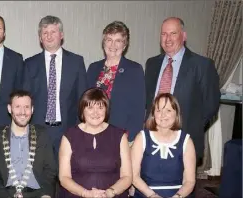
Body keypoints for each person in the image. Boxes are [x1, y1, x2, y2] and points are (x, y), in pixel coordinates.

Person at [145, 17, 220, 160]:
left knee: (185, 181)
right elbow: (148, 102)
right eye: (164, 34)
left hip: (185, 141)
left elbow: (211, 105)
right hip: (153, 139)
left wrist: (189, 125)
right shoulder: (151, 64)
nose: (168, 39)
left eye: (173, 33)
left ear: (183, 36)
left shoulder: (203, 65)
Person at [23, 15, 88, 158]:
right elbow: (25, 100)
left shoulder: (76, 62)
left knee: (65, 176)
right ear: (40, 38)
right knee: (41, 177)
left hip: (68, 130)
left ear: (61, 35)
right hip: (38, 131)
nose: (49, 36)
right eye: (45, 33)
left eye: (53, 32)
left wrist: (81, 129)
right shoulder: (29, 64)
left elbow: (83, 99)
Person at [59, 88, 132, 198]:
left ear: (106, 110)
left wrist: (109, 192)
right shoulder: (69, 136)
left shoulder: (120, 136)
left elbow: (127, 177)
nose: (95, 112)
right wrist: (86, 193)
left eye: (100, 107)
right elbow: (64, 177)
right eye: (90, 107)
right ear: (82, 109)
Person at [0, 90, 57, 198]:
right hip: (5, 194)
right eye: (18, 107)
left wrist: (46, 194)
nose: (22, 112)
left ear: (32, 110)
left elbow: (50, 170)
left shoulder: (42, 135)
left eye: (26, 107)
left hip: (37, 194)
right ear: (10, 109)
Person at [87, 21, 145, 142]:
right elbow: (85, 103)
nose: (113, 45)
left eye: (118, 40)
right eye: (109, 40)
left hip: (121, 136)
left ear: (124, 45)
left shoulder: (135, 70)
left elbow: (138, 109)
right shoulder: (93, 68)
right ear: (104, 43)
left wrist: (130, 138)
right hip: (93, 133)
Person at [132, 93, 196, 198]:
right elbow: (134, 176)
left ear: (176, 114)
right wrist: (152, 195)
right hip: (147, 194)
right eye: (158, 110)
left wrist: (177, 196)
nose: (163, 114)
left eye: (168, 110)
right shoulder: (141, 138)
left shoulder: (186, 141)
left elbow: (189, 181)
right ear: (153, 114)